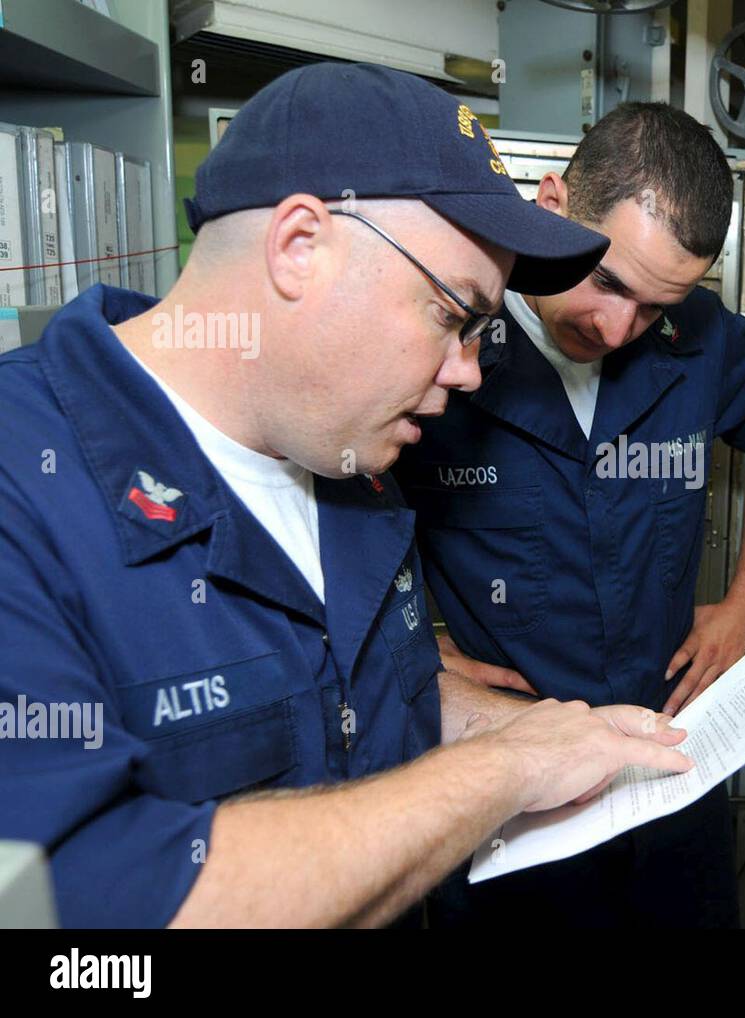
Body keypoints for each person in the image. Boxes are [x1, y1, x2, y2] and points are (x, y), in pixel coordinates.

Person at [0, 63, 693, 929]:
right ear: (300, 247)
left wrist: (532, 731)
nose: (471, 373)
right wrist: (500, 774)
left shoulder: (348, 458)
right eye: (453, 316)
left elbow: (359, 697)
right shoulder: (24, 487)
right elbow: (83, 911)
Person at [395, 102, 745, 928]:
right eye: (608, 280)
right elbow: (341, 497)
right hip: (515, 804)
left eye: (658, 306)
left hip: (668, 773)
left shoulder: (706, 343)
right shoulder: (441, 350)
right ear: (551, 206)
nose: (619, 328)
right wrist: (407, 654)